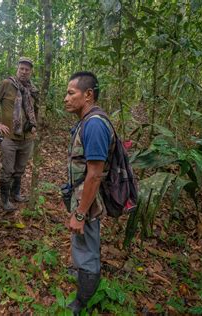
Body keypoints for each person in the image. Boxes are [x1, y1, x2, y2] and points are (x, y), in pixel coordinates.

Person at [63, 71, 113, 314]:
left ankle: (83, 301)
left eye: (71, 93)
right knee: (83, 244)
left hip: (89, 201)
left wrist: (80, 213)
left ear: (88, 95)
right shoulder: (87, 121)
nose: (66, 98)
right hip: (83, 196)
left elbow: (95, 174)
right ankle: (82, 275)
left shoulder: (93, 125)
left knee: (87, 248)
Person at [0, 57, 39, 211]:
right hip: (9, 137)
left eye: (27, 70)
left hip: (27, 138)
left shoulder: (32, 89)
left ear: (31, 72)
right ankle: (4, 200)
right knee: (8, 169)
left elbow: (35, 110)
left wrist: (34, 125)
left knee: (20, 169)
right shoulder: (7, 84)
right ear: (17, 69)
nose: (24, 72)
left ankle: (15, 194)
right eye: (21, 68)